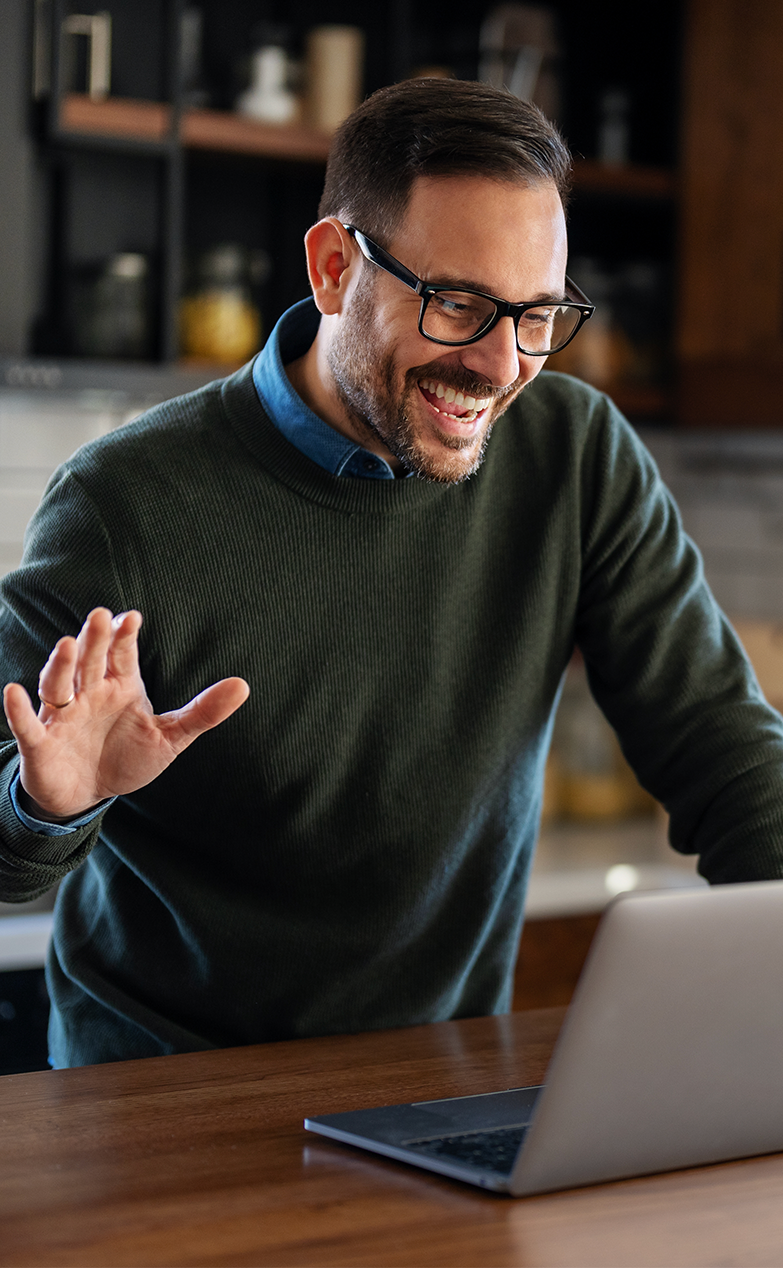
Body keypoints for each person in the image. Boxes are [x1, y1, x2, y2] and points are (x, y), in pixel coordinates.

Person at [2, 78, 782, 1068]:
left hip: (437, 1090)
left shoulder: (578, 457)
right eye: (458, 303)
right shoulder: (128, 502)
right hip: (163, 1100)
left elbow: (722, 747)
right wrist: (46, 806)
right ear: (333, 268)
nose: (502, 365)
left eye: (538, 315)